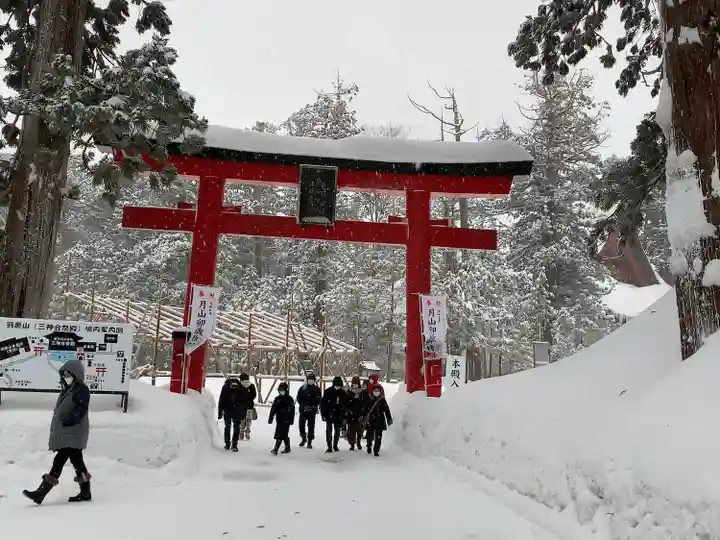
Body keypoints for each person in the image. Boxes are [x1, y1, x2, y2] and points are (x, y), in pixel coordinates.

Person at [23, 359, 92, 505]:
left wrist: (68, 420)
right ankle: (85, 492)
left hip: (73, 432)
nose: (66, 377)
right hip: (68, 433)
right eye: (64, 374)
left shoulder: (82, 390)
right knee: (76, 461)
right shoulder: (68, 390)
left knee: (61, 460)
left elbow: (81, 410)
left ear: (76, 374)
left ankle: (41, 493)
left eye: (68, 374)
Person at [217, 377, 248, 452]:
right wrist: (244, 413)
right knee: (236, 427)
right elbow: (244, 402)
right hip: (237, 410)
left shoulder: (226, 387)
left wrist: (220, 412)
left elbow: (221, 400)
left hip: (227, 410)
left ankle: (227, 443)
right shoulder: (241, 388)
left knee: (227, 426)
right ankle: (234, 445)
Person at [362, 384, 393, 457]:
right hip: (371, 420)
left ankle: (376, 450)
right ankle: (369, 446)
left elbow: (387, 410)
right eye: (375, 391)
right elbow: (365, 409)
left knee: (379, 436)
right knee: (369, 435)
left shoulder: (382, 400)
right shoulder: (369, 399)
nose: (376, 392)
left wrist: (389, 418)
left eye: (378, 391)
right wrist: (362, 416)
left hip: (380, 419)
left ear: (380, 392)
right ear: (372, 391)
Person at [321, 375, 347, 453]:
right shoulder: (328, 392)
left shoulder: (343, 393)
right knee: (329, 430)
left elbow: (346, 405)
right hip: (329, 414)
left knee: (337, 431)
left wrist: (344, 414)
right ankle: (329, 446)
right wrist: (323, 414)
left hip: (339, 415)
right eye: (336, 385)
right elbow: (323, 404)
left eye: (338, 385)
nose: (337, 387)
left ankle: (335, 445)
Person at [296, 371, 321, 448]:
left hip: (312, 411)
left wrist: (313, 406)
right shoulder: (303, 388)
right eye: (309, 379)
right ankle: (303, 438)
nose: (310, 381)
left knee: (311, 426)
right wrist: (303, 405)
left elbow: (319, 399)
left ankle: (309, 441)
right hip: (303, 410)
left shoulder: (317, 389)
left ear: (314, 380)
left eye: (312, 379)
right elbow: (298, 398)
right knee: (301, 425)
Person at [268, 382, 295, 455]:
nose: (281, 392)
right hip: (279, 420)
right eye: (280, 390)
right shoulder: (277, 399)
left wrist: (291, 420)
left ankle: (275, 449)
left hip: (287, 420)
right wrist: (271, 418)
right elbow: (273, 409)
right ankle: (287, 447)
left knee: (280, 434)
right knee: (283, 434)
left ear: (286, 390)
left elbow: (292, 411)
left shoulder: (290, 399)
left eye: (283, 390)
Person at [345, 375, 364, 451]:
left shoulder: (362, 392)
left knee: (359, 430)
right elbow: (346, 402)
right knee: (351, 431)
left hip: (359, 413)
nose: (355, 384)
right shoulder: (349, 391)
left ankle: (358, 442)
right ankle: (352, 444)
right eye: (354, 383)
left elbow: (363, 403)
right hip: (351, 413)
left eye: (356, 383)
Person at [237, 373, 257, 440]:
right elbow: (254, 395)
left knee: (242, 420)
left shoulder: (239, 386)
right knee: (248, 420)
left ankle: (241, 433)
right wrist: (249, 398)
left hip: (241, 406)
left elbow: (237, 396)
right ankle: (247, 432)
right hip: (250, 405)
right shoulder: (252, 386)